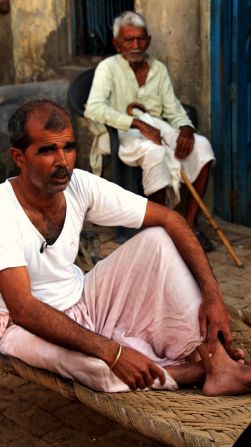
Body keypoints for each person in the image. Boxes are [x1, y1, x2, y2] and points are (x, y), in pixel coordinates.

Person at [0, 99, 250, 396]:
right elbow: (24, 309)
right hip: (20, 327)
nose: (62, 161)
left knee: (157, 239)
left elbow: (171, 219)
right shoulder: (4, 209)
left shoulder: (80, 184)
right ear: (19, 157)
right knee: (94, 368)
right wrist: (113, 352)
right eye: (47, 150)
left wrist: (213, 296)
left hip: (84, 298)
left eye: (68, 147)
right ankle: (187, 372)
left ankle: (218, 363)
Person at [84, 11, 215, 251]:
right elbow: (94, 108)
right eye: (128, 40)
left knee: (203, 146)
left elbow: (173, 109)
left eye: (140, 39)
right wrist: (135, 123)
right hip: (117, 133)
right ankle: (163, 227)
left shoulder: (159, 69)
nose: (135, 45)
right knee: (154, 152)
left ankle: (189, 223)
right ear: (117, 43)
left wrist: (186, 127)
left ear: (149, 40)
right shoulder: (107, 68)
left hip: (157, 128)